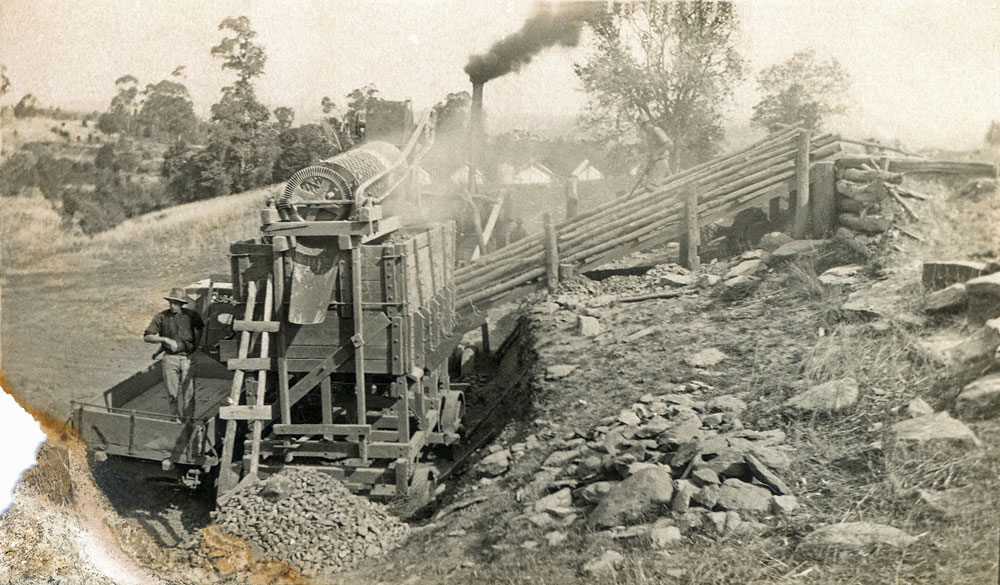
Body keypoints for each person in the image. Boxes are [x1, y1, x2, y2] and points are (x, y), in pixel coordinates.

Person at [144, 288, 204, 419]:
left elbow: (199, 328)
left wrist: (194, 347)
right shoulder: (161, 317)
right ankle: (174, 420)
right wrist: (164, 340)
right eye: (171, 302)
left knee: (189, 393)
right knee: (172, 394)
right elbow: (147, 337)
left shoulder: (192, 316)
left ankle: (189, 421)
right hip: (170, 359)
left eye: (176, 303)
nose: (172, 305)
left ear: (182, 304)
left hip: (188, 359)